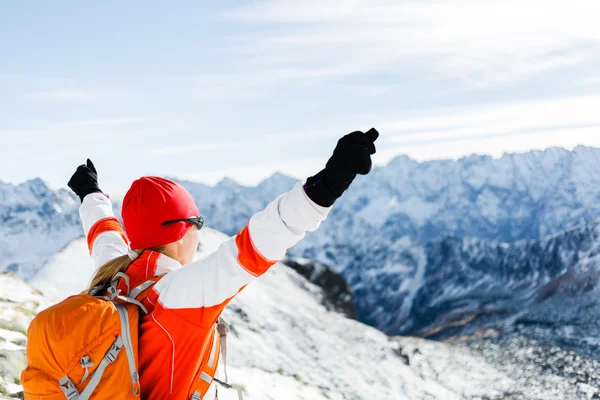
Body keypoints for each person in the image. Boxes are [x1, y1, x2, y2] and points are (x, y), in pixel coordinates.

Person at [66, 128, 379, 399]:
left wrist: (90, 193)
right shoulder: (181, 294)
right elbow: (262, 239)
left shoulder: (113, 276)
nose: (200, 231)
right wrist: (329, 183)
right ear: (178, 232)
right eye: (196, 221)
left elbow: (103, 231)